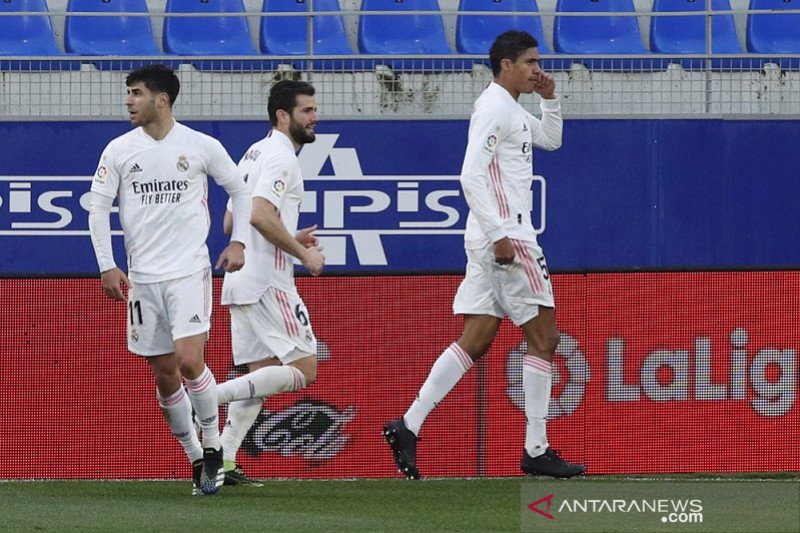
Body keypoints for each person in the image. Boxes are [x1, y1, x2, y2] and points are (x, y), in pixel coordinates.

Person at [383, 30, 586, 480]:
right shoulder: (495, 107)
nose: (538, 69)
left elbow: (550, 140)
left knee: (475, 338)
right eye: (531, 62)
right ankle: (536, 448)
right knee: (545, 338)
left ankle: (408, 424)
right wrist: (499, 233)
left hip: (489, 237)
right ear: (506, 65)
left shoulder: (509, 106)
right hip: (507, 238)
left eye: (539, 62)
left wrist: (551, 100)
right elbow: (470, 175)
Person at [87, 64, 252, 496]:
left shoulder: (200, 145)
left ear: (162, 99)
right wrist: (107, 263)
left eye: (136, 93)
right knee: (163, 374)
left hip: (187, 271)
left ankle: (215, 448)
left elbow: (241, 190)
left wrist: (239, 243)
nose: (129, 101)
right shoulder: (119, 150)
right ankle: (197, 459)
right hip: (142, 279)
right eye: (129, 93)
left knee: (188, 359)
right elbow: (98, 208)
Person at [214, 80, 325, 485]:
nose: (315, 117)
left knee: (258, 378)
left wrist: (291, 236)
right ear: (283, 115)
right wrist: (303, 254)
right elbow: (260, 215)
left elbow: (231, 221)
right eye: (307, 111)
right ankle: (208, 397)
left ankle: (221, 462)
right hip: (268, 282)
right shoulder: (281, 157)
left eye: (315, 109)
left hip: (242, 283)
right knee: (304, 367)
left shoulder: (252, 153)